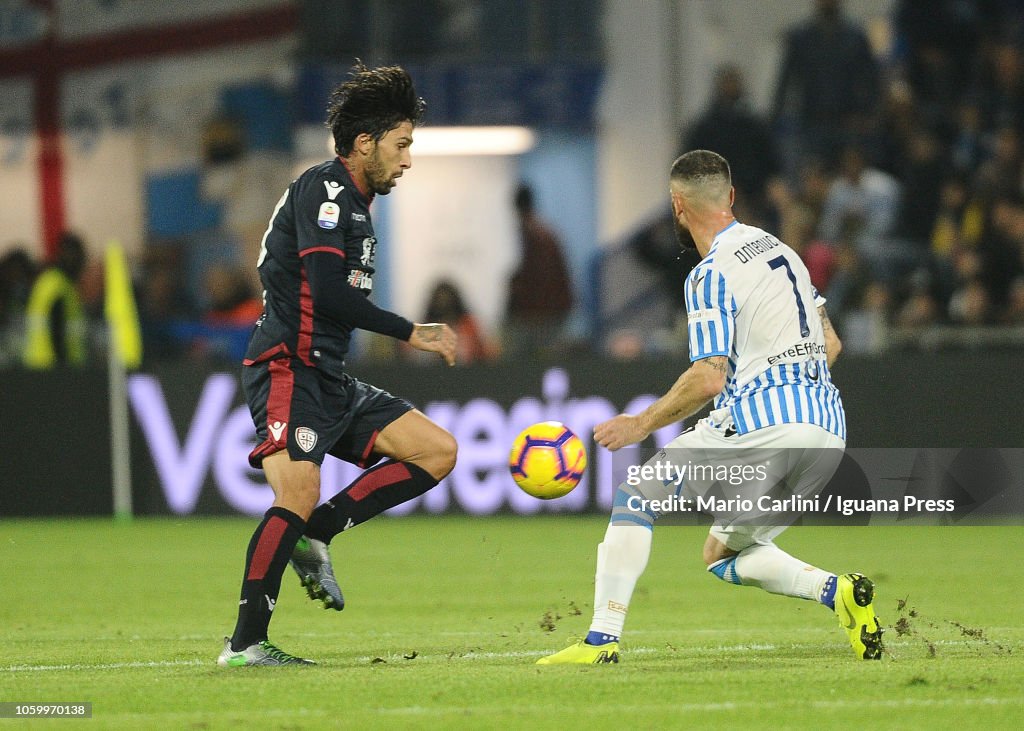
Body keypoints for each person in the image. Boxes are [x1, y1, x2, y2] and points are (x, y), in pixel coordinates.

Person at [537, 150, 882, 666]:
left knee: (637, 494)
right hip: (827, 431)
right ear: (732, 197)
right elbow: (831, 345)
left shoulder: (709, 273)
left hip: (765, 423)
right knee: (722, 554)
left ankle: (600, 641)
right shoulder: (784, 252)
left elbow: (708, 377)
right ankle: (838, 593)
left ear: (677, 206)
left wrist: (640, 423)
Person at [218, 61, 458, 667]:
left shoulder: (356, 204)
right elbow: (326, 292)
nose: (407, 160)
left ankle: (318, 533)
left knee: (438, 450)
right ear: (364, 143)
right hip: (287, 367)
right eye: (401, 146)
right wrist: (414, 332)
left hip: (328, 374)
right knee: (294, 493)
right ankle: (246, 644)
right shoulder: (325, 191)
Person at [504, 183, 573, 358]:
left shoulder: (533, 233)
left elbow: (539, 274)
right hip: (548, 310)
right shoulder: (543, 231)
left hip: (541, 313)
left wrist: (519, 291)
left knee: (538, 363)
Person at [22, 231, 88, 369]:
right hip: (52, 369)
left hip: (37, 365)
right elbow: (58, 332)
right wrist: (63, 368)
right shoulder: (58, 286)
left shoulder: (49, 282)